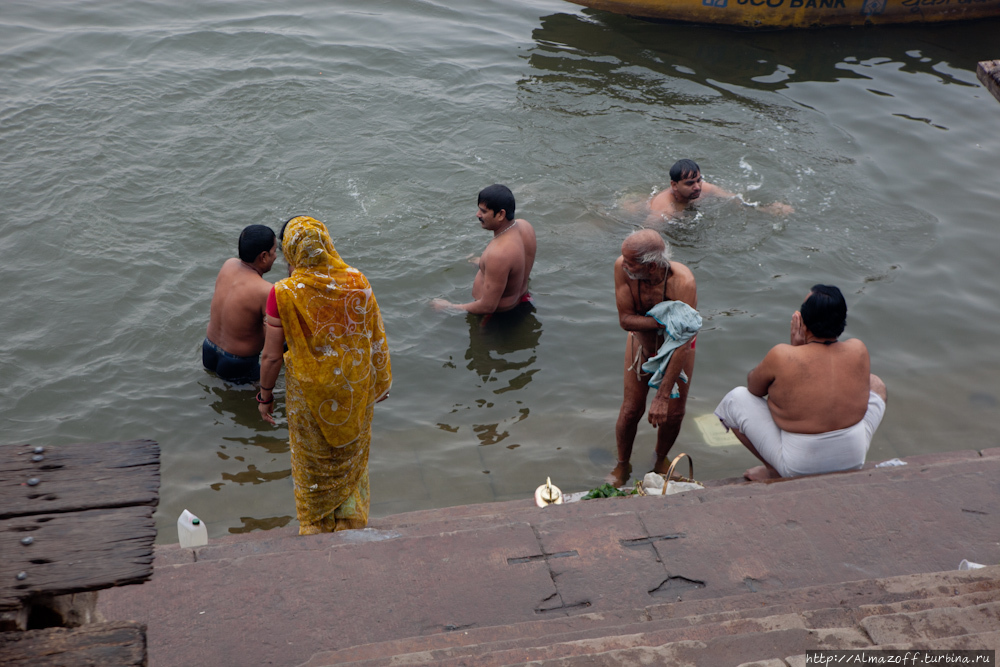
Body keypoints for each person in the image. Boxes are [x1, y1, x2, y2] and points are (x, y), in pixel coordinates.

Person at [257, 216, 392, 534]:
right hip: (352, 387)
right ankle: (349, 521)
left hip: (307, 395)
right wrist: (380, 377)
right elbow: (374, 334)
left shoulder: (283, 293)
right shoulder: (358, 280)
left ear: (290, 252)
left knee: (314, 460)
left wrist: (264, 397)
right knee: (349, 454)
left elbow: (272, 355)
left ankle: (317, 526)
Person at [714, 285, 887, 481]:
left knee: (735, 399)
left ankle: (774, 471)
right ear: (842, 320)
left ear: (803, 323)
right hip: (853, 458)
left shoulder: (782, 355)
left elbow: (754, 388)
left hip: (799, 466)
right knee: (876, 384)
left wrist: (794, 352)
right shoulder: (858, 349)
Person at [611, 229, 700, 487]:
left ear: (651, 266)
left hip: (680, 347)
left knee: (673, 413)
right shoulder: (622, 267)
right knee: (630, 410)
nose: (623, 264)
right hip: (640, 341)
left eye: (630, 262)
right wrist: (665, 321)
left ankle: (661, 460)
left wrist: (662, 396)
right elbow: (625, 321)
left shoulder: (683, 283)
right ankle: (622, 464)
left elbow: (682, 339)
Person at [432, 184, 537, 318]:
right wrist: (483, 264)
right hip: (522, 298)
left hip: (497, 316)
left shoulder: (499, 254)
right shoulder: (525, 226)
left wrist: (448, 307)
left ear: (500, 214)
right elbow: (514, 268)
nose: (478, 215)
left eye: (484, 211)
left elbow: (488, 306)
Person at [203, 224, 277, 383]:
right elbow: (273, 342)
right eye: (274, 252)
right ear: (263, 257)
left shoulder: (228, 265)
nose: (276, 256)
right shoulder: (266, 290)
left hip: (208, 350)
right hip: (238, 363)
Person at [647, 159, 794, 220]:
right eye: (690, 183)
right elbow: (647, 236)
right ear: (674, 185)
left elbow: (734, 200)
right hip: (636, 208)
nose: (697, 187)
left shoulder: (705, 189)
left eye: (699, 180)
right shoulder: (663, 209)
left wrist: (766, 209)